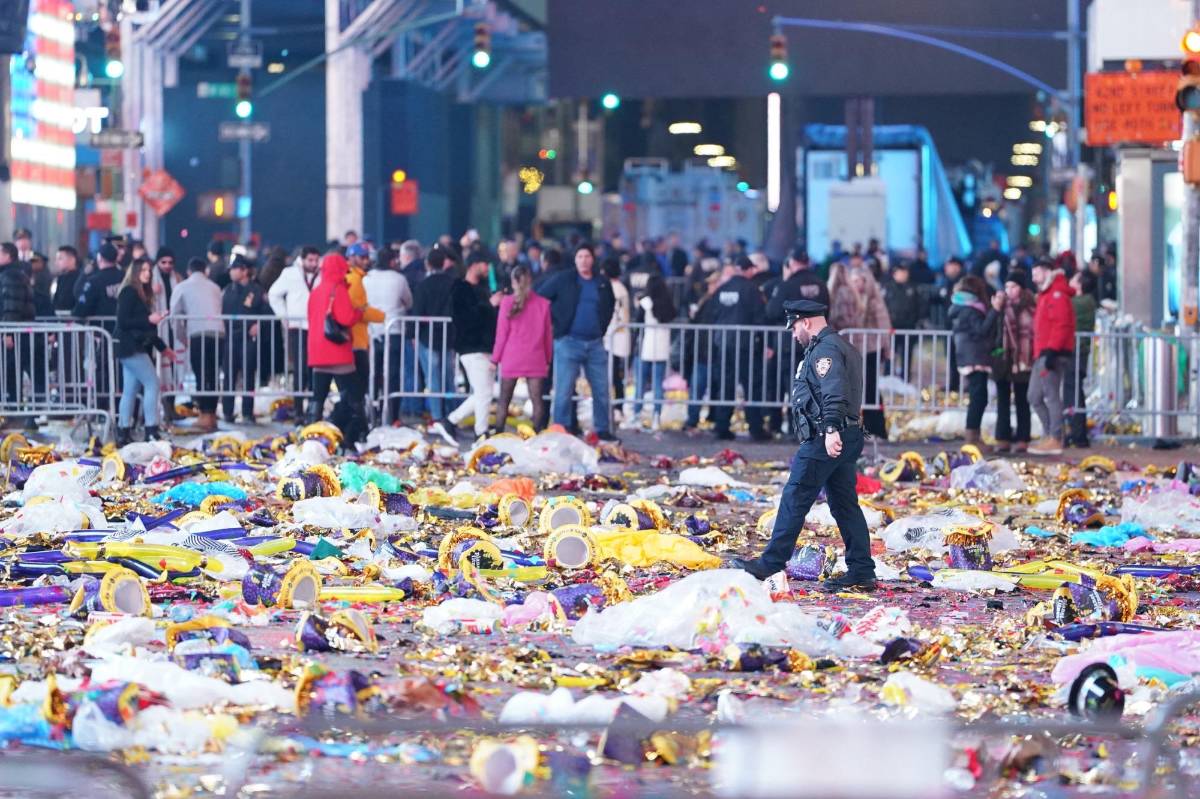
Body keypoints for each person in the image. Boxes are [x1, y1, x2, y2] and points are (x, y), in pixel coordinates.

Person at [730, 299, 875, 590]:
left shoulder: (826, 350)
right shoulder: (842, 346)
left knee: (795, 496)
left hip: (827, 436)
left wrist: (831, 428)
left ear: (806, 322)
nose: (794, 334)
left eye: (795, 327)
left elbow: (833, 390)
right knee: (845, 505)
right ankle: (861, 568)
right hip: (847, 434)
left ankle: (770, 563)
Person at [535, 244, 618, 440]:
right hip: (568, 342)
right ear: (575, 259)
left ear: (592, 259)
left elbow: (609, 305)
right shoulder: (564, 279)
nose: (583, 260)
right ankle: (560, 429)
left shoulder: (602, 282)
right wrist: (556, 324)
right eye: (579, 256)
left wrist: (602, 327)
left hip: (595, 343)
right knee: (563, 390)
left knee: (601, 390)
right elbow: (540, 296)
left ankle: (602, 430)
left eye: (587, 256)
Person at [114, 259, 178, 445]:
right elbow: (123, 321)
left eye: (149, 270)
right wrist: (149, 319)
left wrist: (163, 348)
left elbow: (145, 327)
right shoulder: (129, 292)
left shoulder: (139, 293)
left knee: (130, 390)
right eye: (143, 270)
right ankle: (151, 429)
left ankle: (123, 431)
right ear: (134, 272)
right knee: (152, 383)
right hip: (130, 346)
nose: (147, 273)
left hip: (131, 346)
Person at [436, 252, 499, 440]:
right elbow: (466, 319)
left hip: (485, 347)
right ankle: (480, 432)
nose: (488, 269)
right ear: (473, 265)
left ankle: (451, 421)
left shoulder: (484, 288)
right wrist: (489, 304)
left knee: (483, 392)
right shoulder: (460, 289)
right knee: (484, 393)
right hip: (471, 347)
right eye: (485, 264)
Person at [708, 257, 769, 441]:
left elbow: (713, 313)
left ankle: (721, 426)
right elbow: (760, 316)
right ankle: (755, 427)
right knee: (751, 386)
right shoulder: (751, 289)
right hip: (745, 344)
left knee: (726, 385)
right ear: (748, 270)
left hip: (724, 343)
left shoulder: (722, 288)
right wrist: (764, 341)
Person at [828, 263, 891, 439]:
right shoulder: (853, 299)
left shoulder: (872, 300)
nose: (856, 283)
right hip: (855, 348)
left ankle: (877, 427)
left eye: (859, 280)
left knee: (870, 387)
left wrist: (886, 347)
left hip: (871, 348)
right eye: (853, 280)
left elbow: (883, 324)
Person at [306, 253, 364, 437]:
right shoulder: (338, 290)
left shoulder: (316, 291)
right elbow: (346, 318)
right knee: (352, 396)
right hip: (337, 352)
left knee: (318, 397)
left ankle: (311, 431)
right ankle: (358, 432)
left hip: (317, 352)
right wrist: (359, 313)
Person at [492, 264, 553, 433]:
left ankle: (498, 434)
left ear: (513, 282)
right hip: (536, 357)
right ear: (530, 281)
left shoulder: (506, 303)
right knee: (537, 400)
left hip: (512, 357)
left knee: (504, 400)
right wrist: (548, 359)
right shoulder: (544, 304)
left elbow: (501, 334)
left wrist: (495, 359)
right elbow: (548, 336)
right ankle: (537, 435)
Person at [1027, 261, 1076, 455]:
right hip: (1044, 352)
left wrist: (1052, 350)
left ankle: (1055, 437)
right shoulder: (1047, 295)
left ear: (1047, 272)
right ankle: (1051, 435)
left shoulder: (1056, 295)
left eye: (1037, 273)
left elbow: (1061, 325)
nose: (1033, 278)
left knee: (1051, 395)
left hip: (1051, 353)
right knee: (1035, 396)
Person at [169, 257, 224, 432]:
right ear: (205, 271)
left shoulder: (182, 287)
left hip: (198, 333)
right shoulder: (215, 287)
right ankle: (212, 414)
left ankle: (204, 416)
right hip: (219, 333)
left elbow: (174, 316)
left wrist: (181, 337)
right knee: (214, 374)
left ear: (188, 271)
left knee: (202, 374)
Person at [268, 245, 321, 418]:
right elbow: (273, 294)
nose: (313, 264)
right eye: (310, 260)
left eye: (316, 260)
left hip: (316, 327)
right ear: (303, 259)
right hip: (297, 328)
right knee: (300, 369)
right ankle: (298, 410)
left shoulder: (320, 274)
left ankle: (313, 409)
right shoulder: (290, 274)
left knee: (315, 368)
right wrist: (284, 316)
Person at [948, 274, 1001, 445]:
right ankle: (972, 439)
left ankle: (974, 437)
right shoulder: (971, 309)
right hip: (975, 358)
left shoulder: (961, 307)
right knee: (978, 398)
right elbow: (982, 330)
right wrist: (995, 310)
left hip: (969, 356)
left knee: (979, 397)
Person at [364, 247, 413, 422]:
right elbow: (408, 301)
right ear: (392, 261)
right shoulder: (399, 279)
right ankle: (391, 413)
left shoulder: (366, 278)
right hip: (393, 330)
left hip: (371, 331)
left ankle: (372, 411)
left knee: (373, 372)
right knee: (392, 373)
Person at [409, 247, 458, 422]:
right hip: (449, 337)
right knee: (449, 378)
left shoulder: (423, 286)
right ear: (444, 263)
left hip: (427, 337)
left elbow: (417, 313)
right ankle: (453, 414)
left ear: (427, 264)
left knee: (433, 379)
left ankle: (437, 416)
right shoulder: (454, 283)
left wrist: (413, 335)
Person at [993, 268, 1035, 454]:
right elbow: (993, 327)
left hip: (1023, 359)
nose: (1008, 290)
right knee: (1002, 399)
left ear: (1021, 288)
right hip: (1004, 358)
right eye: (1007, 286)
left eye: (1013, 286)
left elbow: (1033, 333)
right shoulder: (1000, 305)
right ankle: (1002, 437)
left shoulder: (1030, 306)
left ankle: (1022, 438)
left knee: (1022, 399)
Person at [627, 274, 676, 430]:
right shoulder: (668, 304)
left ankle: (636, 415)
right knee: (658, 385)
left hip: (645, 348)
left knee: (640, 384)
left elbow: (637, 324)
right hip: (661, 348)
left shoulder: (645, 303)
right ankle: (656, 417)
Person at [0, 242, 35, 418]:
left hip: (12, 332)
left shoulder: (10, 276)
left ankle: (11, 410)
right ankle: (11, 408)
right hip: (15, 331)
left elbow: (11, 306)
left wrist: (7, 331)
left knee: (10, 371)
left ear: (8, 256)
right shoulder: (13, 274)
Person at [150, 247, 183, 421]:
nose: (167, 266)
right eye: (164, 262)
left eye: (170, 262)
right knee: (159, 372)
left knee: (174, 370)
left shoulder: (176, 279)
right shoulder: (150, 279)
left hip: (172, 329)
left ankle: (171, 407)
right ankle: (161, 409)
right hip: (157, 331)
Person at [1066, 270, 1097, 448]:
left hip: (1077, 350)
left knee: (1074, 391)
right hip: (1077, 350)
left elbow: (1066, 306)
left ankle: (1078, 434)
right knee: (1074, 390)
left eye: (1073, 278)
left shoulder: (1083, 302)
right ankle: (1076, 432)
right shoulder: (1085, 301)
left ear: (1080, 284)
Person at [882, 262, 923, 379]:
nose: (903, 274)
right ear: (894, 274)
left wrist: (916, 322)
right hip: (891, 327)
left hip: (908, 327)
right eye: (900, 272)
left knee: (906, 353)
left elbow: (920, 306)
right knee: (890, 353)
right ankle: (888, 376)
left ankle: (905, 378)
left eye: (905, 272)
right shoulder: (887, 288)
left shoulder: (913, 288)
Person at [602, 257, 632, 419]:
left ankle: (616, 406)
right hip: (618, 335)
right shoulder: (622, 288)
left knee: (612, 375)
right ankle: (617, 406)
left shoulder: (611, 288)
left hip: (612, 335)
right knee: (615, 375)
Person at [52, 246, 81, 316]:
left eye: (60, 259)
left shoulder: (80, 278)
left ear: (72, 260)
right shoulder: (60, 278)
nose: (56, 262)